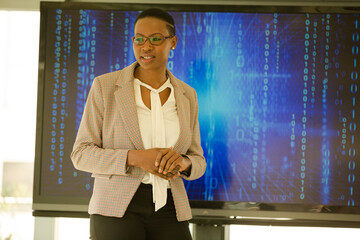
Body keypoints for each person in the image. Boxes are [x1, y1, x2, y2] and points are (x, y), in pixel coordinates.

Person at [70, 8, 206, 240]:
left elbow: (198, 161)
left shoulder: (187, 95)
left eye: (155, 39)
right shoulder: (105, 86)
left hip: (171, 207)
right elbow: (81, 154)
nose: (146, 46)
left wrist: (183, 162)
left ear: (172, 42)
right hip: (116, 209)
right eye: (139, 39)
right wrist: (135, 158)